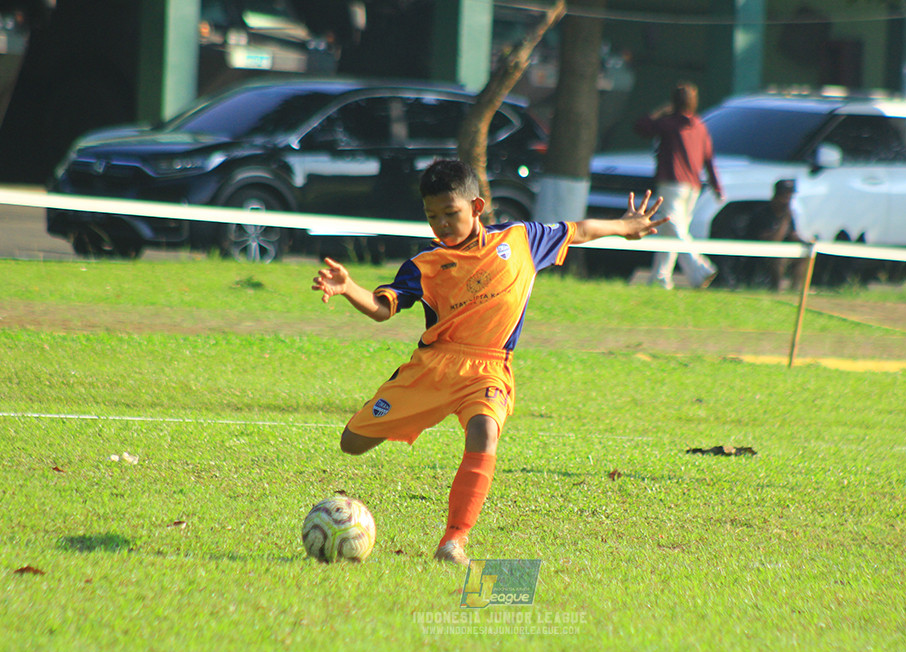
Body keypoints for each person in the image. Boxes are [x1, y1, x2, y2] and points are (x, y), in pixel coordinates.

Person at [311, 159, 668, 564]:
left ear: (477, 207)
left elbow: (580, 230)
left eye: (451, 213)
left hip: (489, 367)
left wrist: (626, 226)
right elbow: (381, 307)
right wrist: (350, 288)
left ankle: (454, 541)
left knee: (485, 431)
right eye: (433, 217)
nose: (442, 224)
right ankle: (416, 416)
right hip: (435, 367)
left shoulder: (522, 239)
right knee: (352, 444)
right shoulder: (426, 264)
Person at [634, 81, 724, 289]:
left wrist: (658, 111)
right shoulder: (700, 126)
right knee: (670, 230)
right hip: (693, 186)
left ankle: (701, 268)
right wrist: (717, 186)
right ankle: (660, 278)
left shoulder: (668, 123)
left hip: (672, 183)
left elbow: (641, 126)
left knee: (674, 229)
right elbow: (709, 158)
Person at [745, 179, 808, 291]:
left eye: (790, 197)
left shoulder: (787, 214)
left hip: (781, 251)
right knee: (780, 259)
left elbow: (793, 235)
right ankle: (776, 289)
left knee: (804, 256)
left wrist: (805, 243)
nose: (787, 201)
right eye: (785, 196)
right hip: (760, 251)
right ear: (777, 196)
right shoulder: (763, 214)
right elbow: (773, 241)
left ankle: (796, 290)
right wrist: (784, 221)